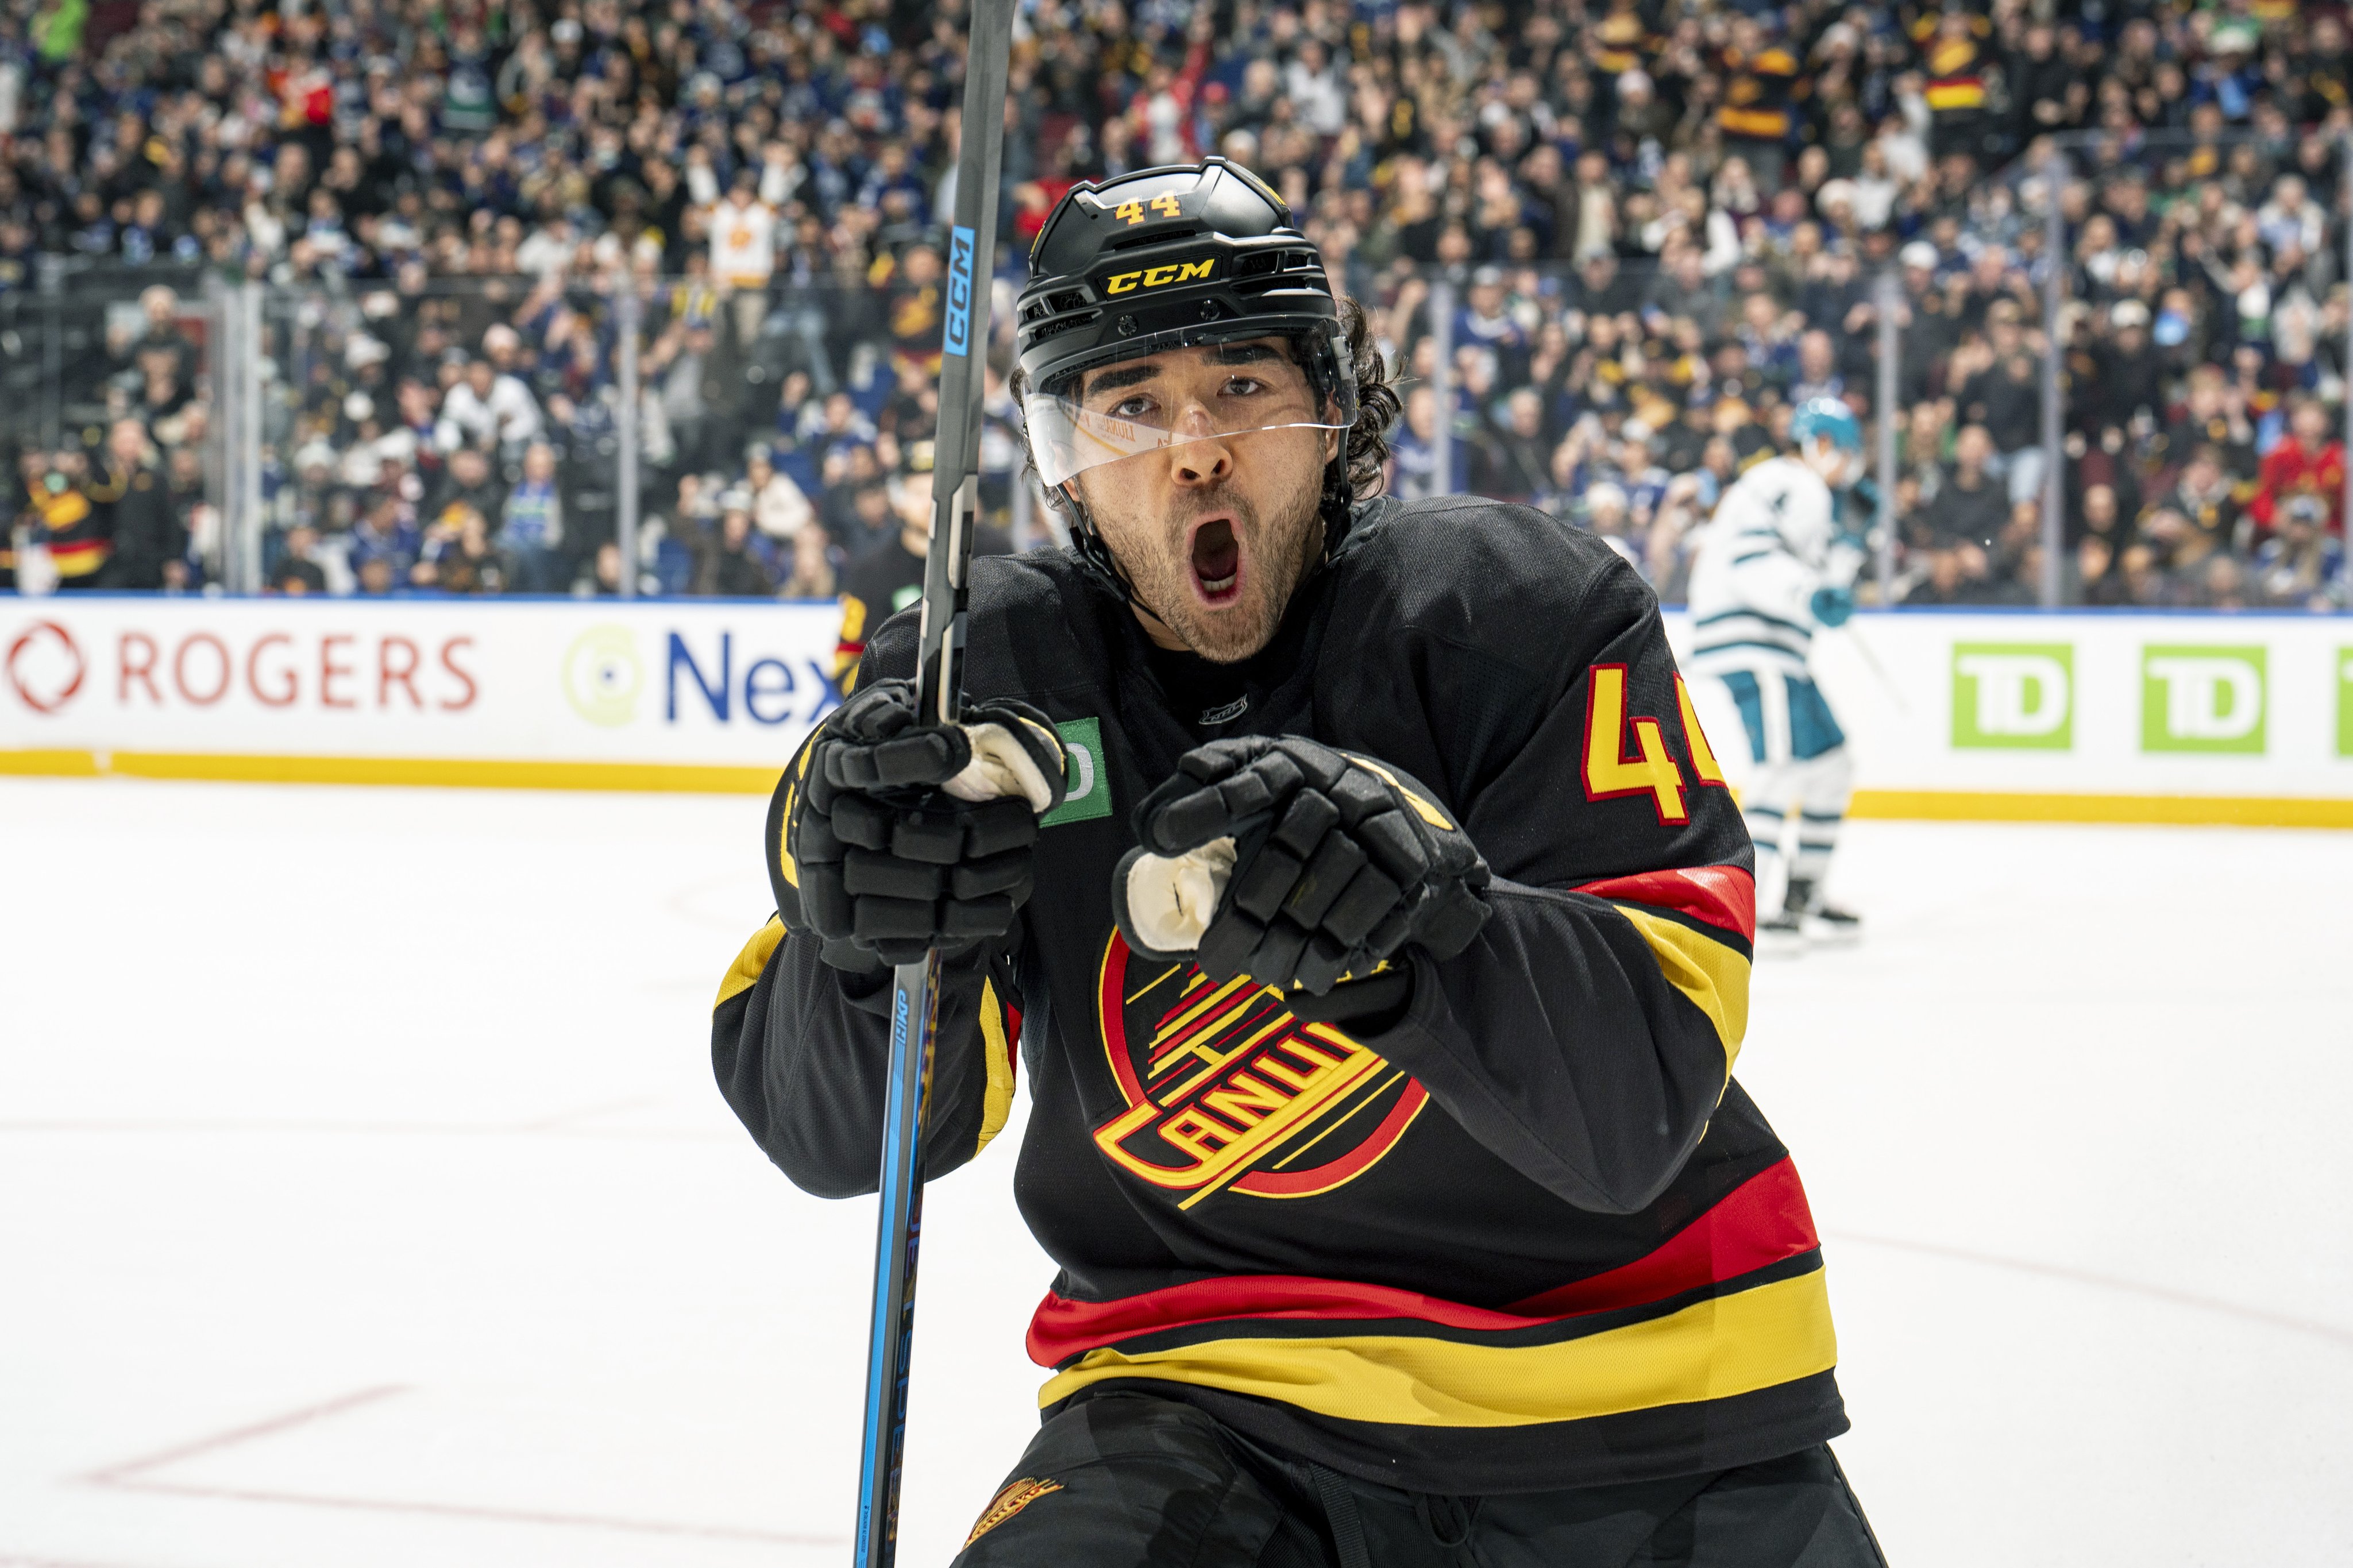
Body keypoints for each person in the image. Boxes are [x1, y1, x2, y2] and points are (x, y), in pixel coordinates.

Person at [713, 159, 1876, 1567]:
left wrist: (1421, 923)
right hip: (1200, 1394)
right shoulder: (986, 677)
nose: (1194, 448)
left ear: (1333, 413)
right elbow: (844, 1141)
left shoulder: (1520, 616)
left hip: (1650, 1389)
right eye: (1132, 403)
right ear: (1063, 456)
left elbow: (1635, 1101)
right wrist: (862, 939)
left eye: (1242, 386)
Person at [1682, 398, 1872, 947]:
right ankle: (1756, 907)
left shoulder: (1805, 492)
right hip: (1753, 642)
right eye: (1847, 454)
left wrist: (1852, 544)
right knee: (1780, 765)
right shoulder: (1790, 482)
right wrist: (1808, 592)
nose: (1849, 468)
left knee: (1832, 762)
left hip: (1780, 649)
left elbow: (1815, 577)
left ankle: (1802, 895)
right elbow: (1752, 559)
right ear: (1823, 444)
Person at [832, 439, 1009, 682]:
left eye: (940, 490)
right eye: (918, 493)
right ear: (898, 501)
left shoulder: (995, 552)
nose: (931, 503)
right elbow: (847, 663)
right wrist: (894, 698)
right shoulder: (870, 572)